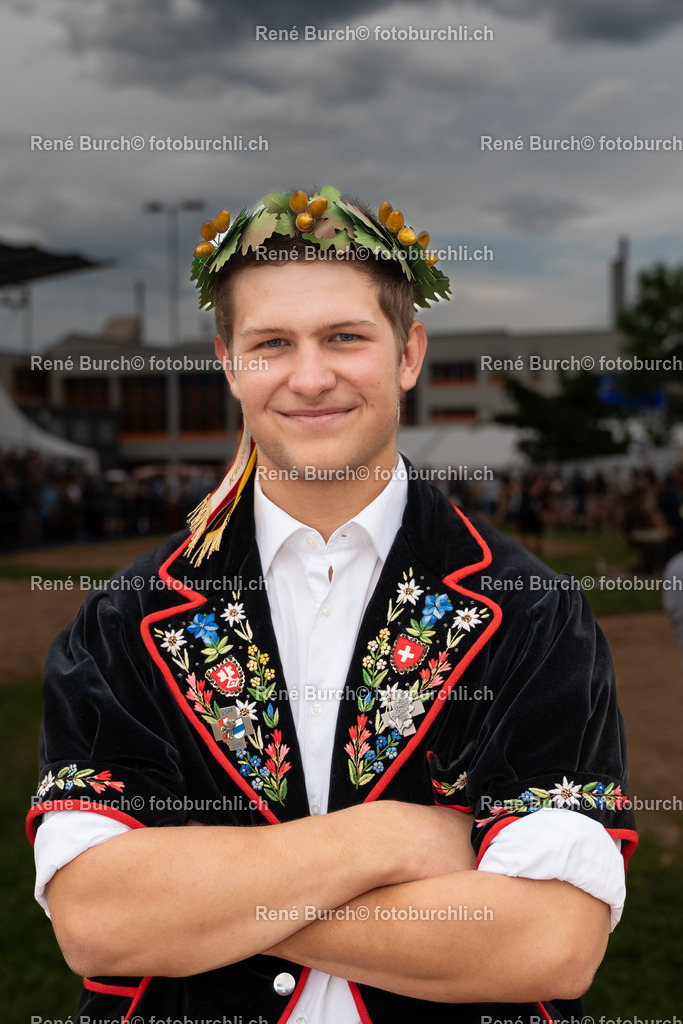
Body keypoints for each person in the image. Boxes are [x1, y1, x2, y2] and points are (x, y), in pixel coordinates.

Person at [28, 186, 637, 1024]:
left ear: (408, 353)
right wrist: (389, 838)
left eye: (344, 338)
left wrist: (205, 906)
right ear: (229, 364)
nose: (309, 378)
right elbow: (98, 922)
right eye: (271, 343)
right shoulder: (120, 623)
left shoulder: (529, 612)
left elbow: (549, 943)